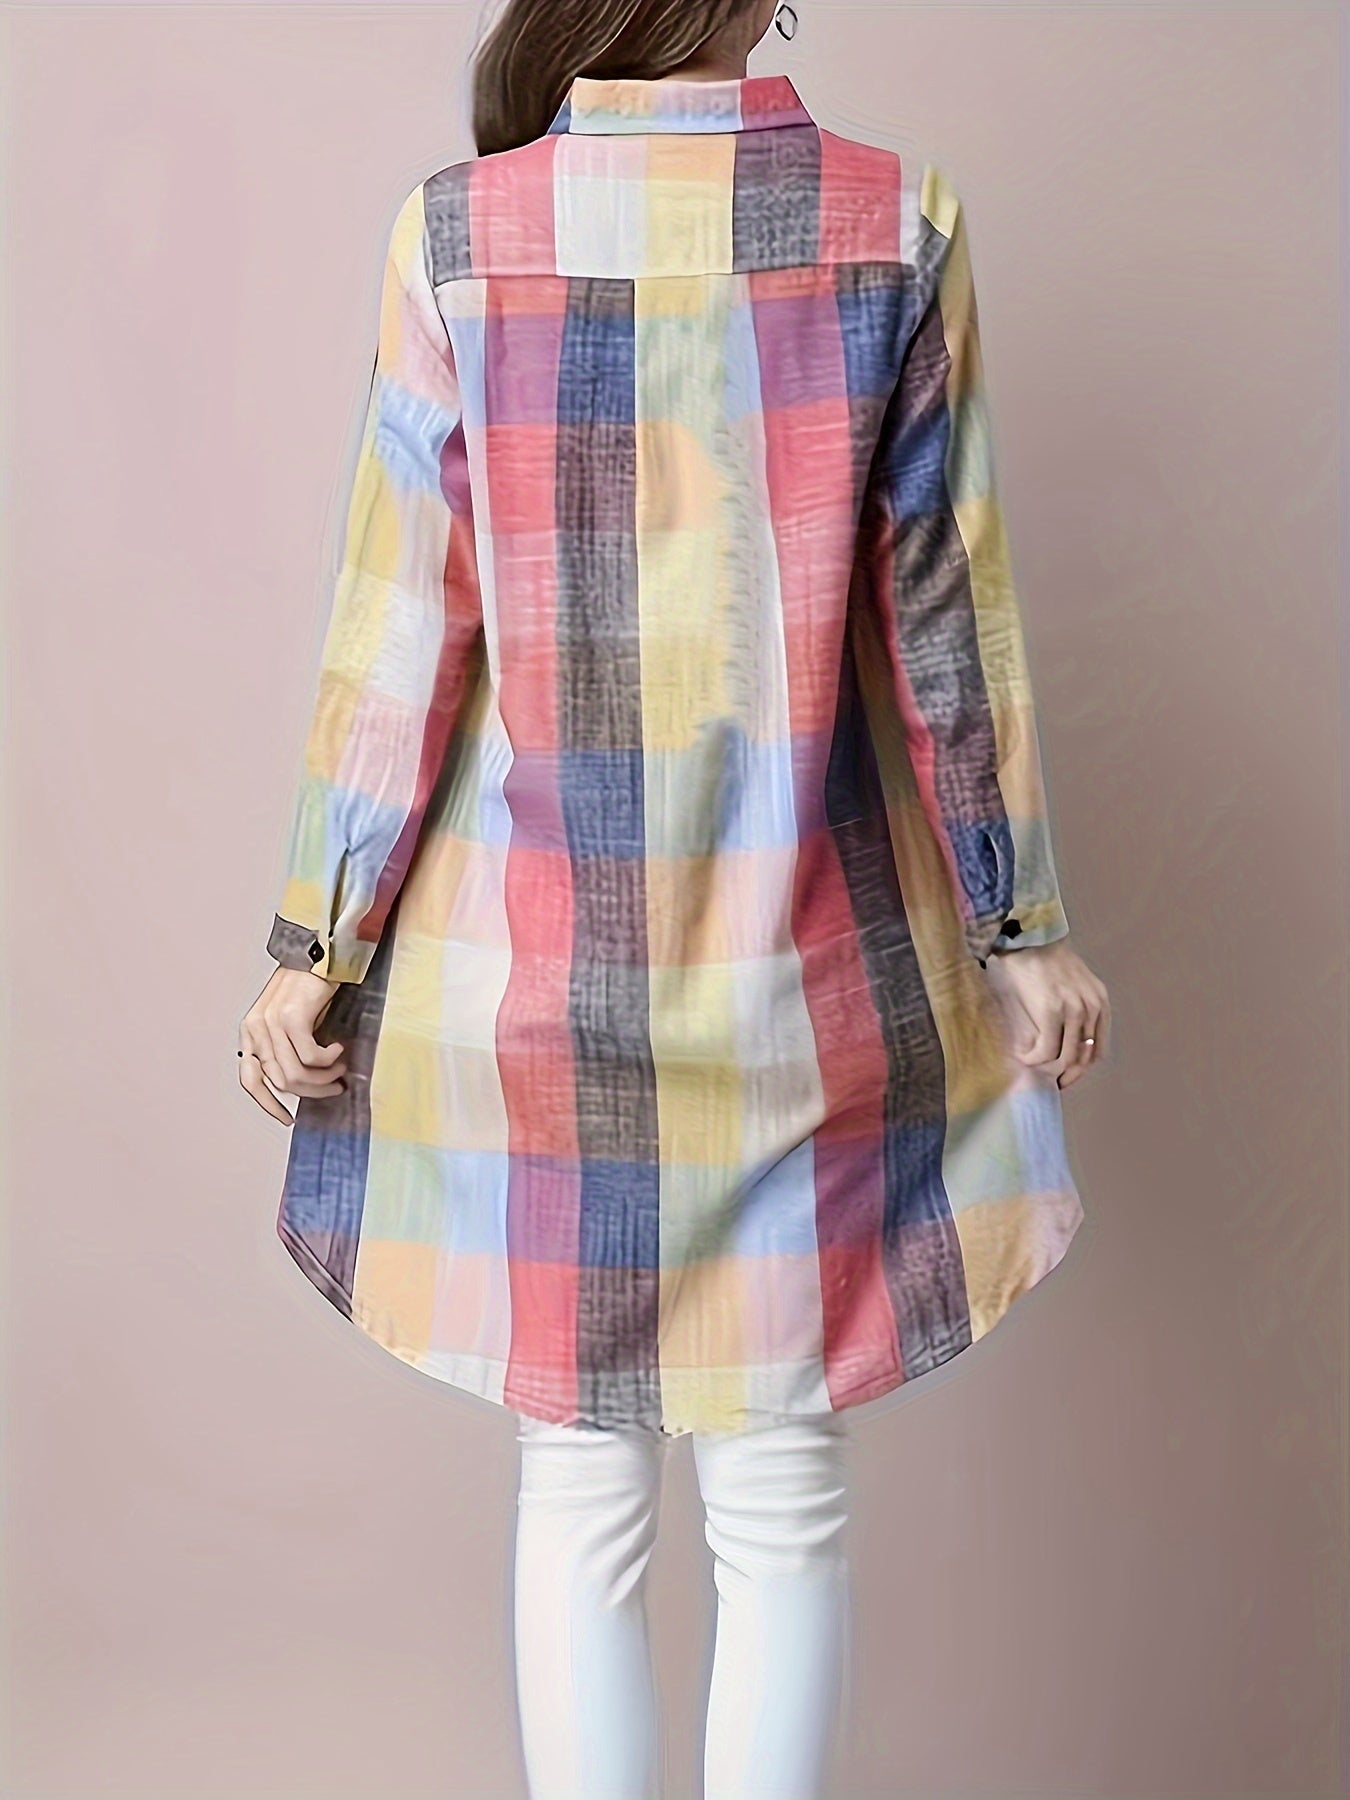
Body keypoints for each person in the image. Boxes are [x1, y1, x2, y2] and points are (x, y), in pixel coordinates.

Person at [237, 1, 1111, 1793]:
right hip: (808, 980)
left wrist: (317, 942)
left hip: (526, 978)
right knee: (782, 1506)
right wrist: (1017, 927)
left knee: (577, 1496)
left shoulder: (456, 234)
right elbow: (945, 622)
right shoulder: (896, 219)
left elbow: (402, 626)